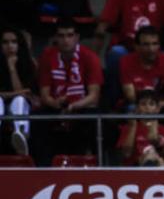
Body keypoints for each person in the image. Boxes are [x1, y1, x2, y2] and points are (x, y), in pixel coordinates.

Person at [36, 19, 102, 161]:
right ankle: (41, 168)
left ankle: (95, 163)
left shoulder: (90, 57)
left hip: (81, 107)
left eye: (70, 35)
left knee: (95, 117)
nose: (66, 40)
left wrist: (73, 106)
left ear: (77, 37)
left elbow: (94, 96)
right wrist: (56, 104)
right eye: (61, 36)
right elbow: (45, 95)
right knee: (38, 118)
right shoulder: (47, 57)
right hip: (56, 107)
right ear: (55, 38)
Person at [0, 27, 36, 155]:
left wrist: (12, 69)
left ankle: (20, 137)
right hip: (2, 106)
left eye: (14, 42)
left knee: (19, 100)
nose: (10, 46)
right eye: (5, 42)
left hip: (21, 106)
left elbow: (25, 94)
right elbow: (20, 91)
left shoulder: (29, 64)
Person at [117, 89, 164, 166]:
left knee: (159, 161)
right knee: (150, 156)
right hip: (135, 171)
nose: (147, 107)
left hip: (160, 171)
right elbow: (126, 154)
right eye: (143, 104)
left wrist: (158, 146)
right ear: (137, 108)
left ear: (157, 109)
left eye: (151, 104)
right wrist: (133, 127)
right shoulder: (128, 128)